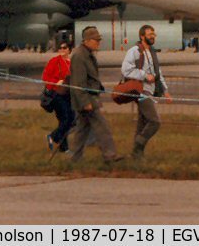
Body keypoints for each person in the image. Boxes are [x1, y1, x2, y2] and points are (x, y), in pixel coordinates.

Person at [66, 26, 122, 164]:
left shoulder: (87, 54)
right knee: (102, 127)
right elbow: (78, 82)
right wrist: (85, 102)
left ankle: (74, 159)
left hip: (88, 98)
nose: (98, 43)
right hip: (86, 99)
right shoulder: (80, 56)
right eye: (96, 40)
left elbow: (91, 78)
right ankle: (110, 156)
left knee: (82, 130)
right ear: (87, 40)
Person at [121, 24, 170, 157]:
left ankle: (136, 155)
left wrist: (165, 90)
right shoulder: (135, 51)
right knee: (154, 121)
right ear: (142, 36)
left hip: (150, 90)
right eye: (149, 35)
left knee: (142, 123)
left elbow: (157, 72)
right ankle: (139, 143)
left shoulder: (152, 52)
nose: (153, 37)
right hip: (140, 91)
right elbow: (126, 70)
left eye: (153, 34)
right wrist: (144, 75)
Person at [41, 40, 75, 153]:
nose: (62, 50)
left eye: (64, 48)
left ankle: (63, 147)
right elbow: (45, 77)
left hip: (68, 95)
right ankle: (53, 136)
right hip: (56, 95)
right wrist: (56, 82)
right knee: (66, 118)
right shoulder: (54, 61)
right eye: (60, 48)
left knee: (69, 120)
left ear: (69, 50)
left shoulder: (72, 63)